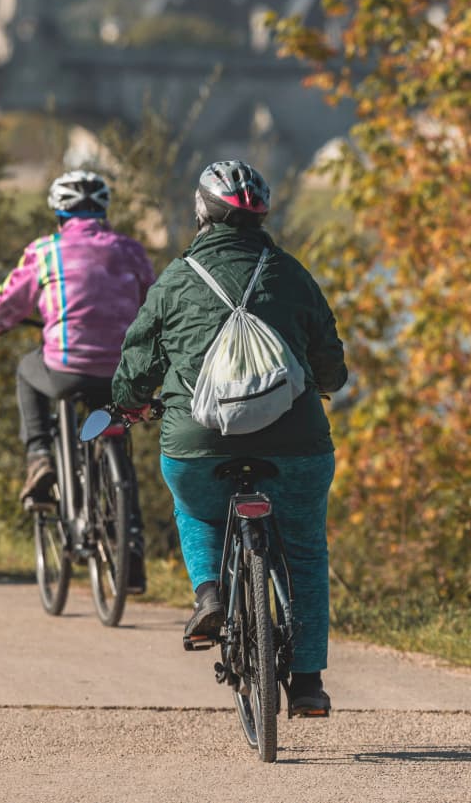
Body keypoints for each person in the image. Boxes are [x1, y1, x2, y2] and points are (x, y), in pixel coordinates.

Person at [113, 160, 347, 718]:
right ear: (262, 216)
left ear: (202, 213)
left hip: (199, 439)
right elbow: (331, 366)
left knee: (196, 509)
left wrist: (130, 403)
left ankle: (211, 594)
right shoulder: (291, 273)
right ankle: (309, 684)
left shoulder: (175, 278)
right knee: (306, 553)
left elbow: (138, 361)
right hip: (295, 441)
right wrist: (320, 382)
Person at [0, 169, 156, 523]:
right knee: (113, 419)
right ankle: (128, 545)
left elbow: (9, 302)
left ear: (59, 215)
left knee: (27, 370)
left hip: (66, 368)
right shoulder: (131, 251)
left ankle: (40, 455)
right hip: (123, 372)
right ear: (103, 214)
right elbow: (154, 303)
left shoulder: (45, 251)